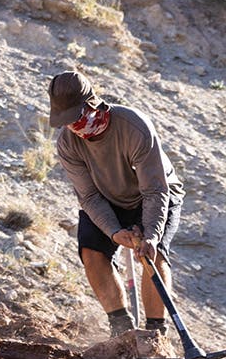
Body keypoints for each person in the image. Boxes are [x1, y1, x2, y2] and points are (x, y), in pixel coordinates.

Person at [45, 68, 182, 339]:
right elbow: (89, 197)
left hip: (155, 193)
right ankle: (122, 332)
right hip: (106, 198)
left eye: (75, 117)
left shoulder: (134, 127)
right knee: (91, 252)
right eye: (66, 120)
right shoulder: (67, 144)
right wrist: (114, 232)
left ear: (92, 105)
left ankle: (156, 335)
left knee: (151, 254)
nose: (72, 126)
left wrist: (151, 235)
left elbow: (155, 191)